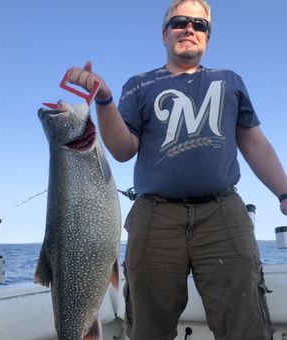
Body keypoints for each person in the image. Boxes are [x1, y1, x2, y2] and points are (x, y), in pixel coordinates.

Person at [66, 0, 287, 339]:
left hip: (223, 211)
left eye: (200, 25)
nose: (189, 29)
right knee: (148, 327)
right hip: (156, 215)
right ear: (164, 33)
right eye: (180, 22)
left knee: (245, 324)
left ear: (208, 37)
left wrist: (284, 193)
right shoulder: (139, 85)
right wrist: (104, 100)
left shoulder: (230, 81)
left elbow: (255, 143)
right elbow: (124, 150)